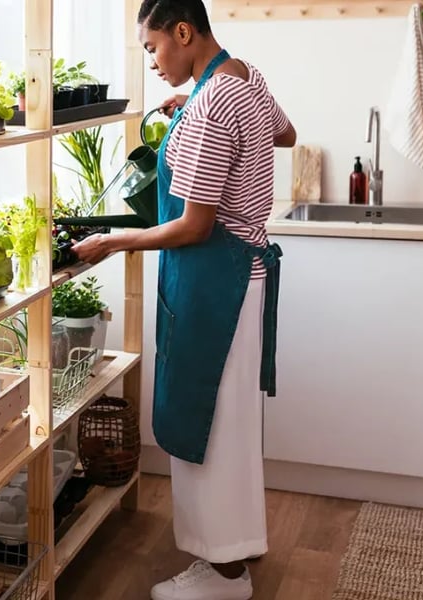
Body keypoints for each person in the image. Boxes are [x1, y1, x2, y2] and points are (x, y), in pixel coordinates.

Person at [71, 1, 296, 599]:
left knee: (208, 425)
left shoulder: (211, 106)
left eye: (153, 48)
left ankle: (223, 575)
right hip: (241, 278)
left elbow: (195, 226)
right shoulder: (243, 75)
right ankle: (237, 551)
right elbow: (283, 132)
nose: (153, 62)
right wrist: (191, 107)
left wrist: (118, 241)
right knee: (232, 424)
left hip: (212, 284)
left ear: (183, 31)